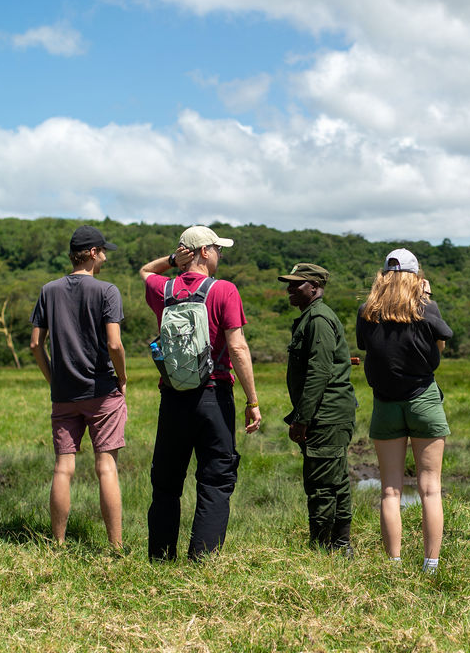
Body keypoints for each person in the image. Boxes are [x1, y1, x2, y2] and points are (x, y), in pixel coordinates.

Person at [140, 226, 261, 562]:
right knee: (216, 479)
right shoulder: (224, 290)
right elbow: (237, 347)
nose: (220, 255)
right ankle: (202, 560)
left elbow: (145, 271)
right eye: (217, 249)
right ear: (204, 252)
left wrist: (170, 261)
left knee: (166, 483)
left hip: (173, 395)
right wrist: (252, 401)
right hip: (214, 394)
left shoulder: (164, 290)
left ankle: (161, 558)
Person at [29, 225, 127, 551]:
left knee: (63, 467)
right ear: (94, 254)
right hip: (102, 390)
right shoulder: (107, 291)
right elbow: (114, 343)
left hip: (65, 393)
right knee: (106, 466)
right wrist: (122, 377)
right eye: (104, 252)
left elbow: (34, 345)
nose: (105, 257)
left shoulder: (48, 290)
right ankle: (115, 547)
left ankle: (57, 544)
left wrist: (53, 378)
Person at [355, 248, 452, 574]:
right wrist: (425, 298)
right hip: (423, 398)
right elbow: (440, 346)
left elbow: (369, 348)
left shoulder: (367, 311)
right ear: (416, 276)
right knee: (430, 488)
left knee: (390, 489)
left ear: (384, 275)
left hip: (385, 401)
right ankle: (431, 565)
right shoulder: (427, 308)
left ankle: (393, 564)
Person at [278, 263, 357, 553]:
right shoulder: (311, 317)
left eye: (296, 284)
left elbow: (319, 372)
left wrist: (302, 419)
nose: (289, 289)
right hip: (326, 414)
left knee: (322, 483)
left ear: (314, 287)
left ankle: (323, 546)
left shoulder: (319, 319)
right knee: (334, 478)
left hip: (326, 416)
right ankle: (339, 544)